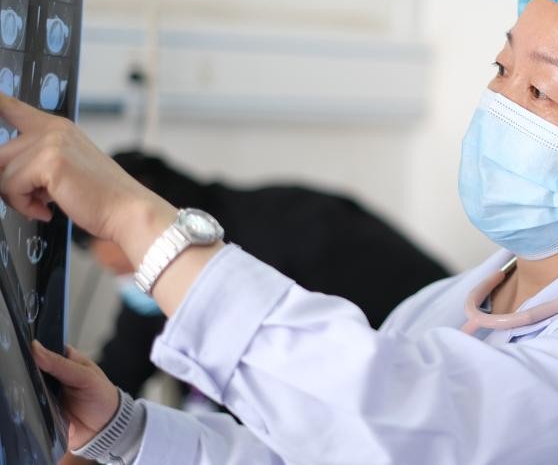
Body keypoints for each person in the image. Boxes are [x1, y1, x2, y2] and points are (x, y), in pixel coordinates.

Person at [8, 0, 558, 464]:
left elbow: (392, 423)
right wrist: (128, 431)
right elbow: (315, 447)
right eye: (501, 67)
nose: (498, 105)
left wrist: (137, 220)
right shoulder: (450, 305)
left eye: (540, 90)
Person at [71, 150, 449, 402]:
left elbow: (319, 397)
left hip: (425, 375)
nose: (137, 284)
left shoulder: (295, 230)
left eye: (135, 266)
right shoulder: (161, 269)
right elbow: (122, 370)